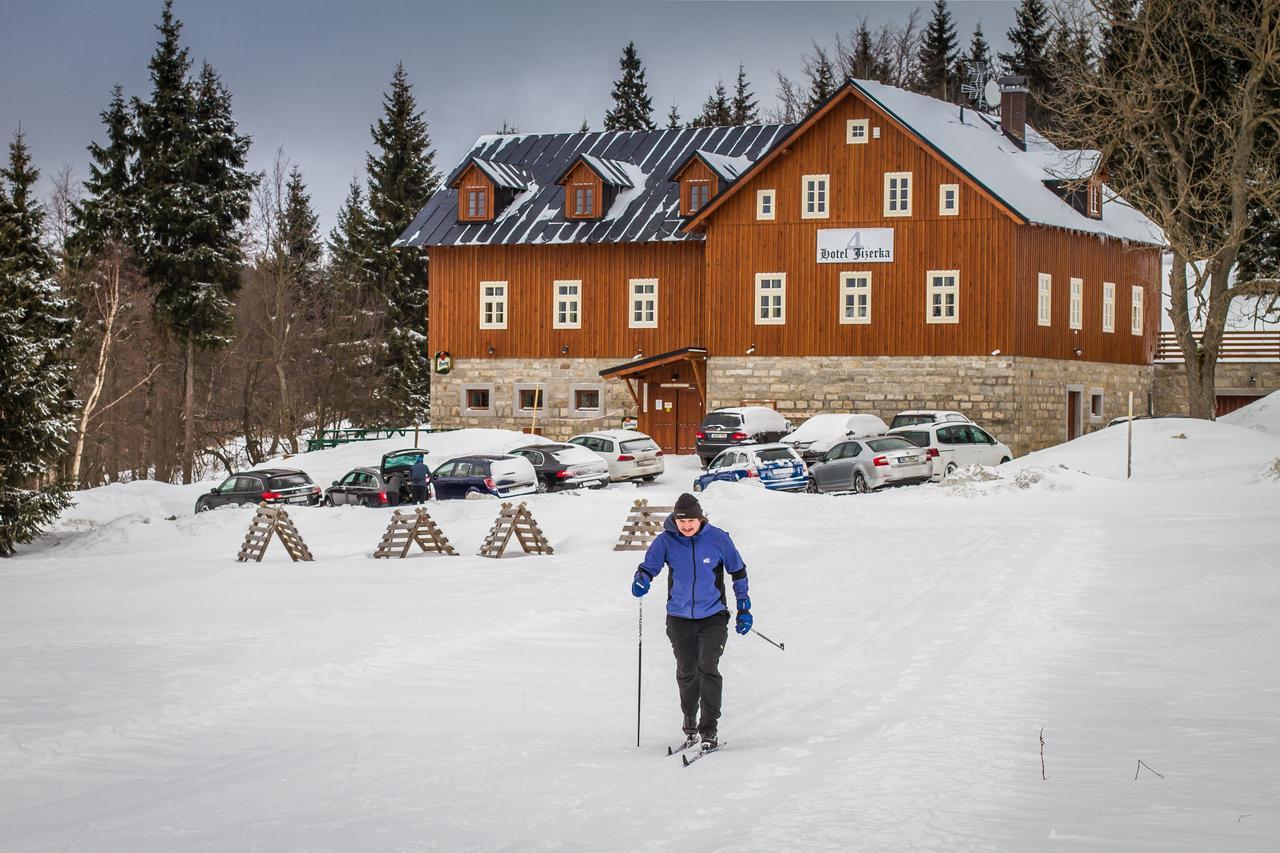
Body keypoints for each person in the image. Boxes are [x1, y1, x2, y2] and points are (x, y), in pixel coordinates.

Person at [631, 492, 752, 752]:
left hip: (713, 616)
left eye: (691, 521)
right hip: (679, 617)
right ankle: (690, 725)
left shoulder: (718, 539)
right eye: (681, 521)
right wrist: (642, 578)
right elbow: (649, 566)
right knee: (687, 671)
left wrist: (744, 607)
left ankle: (709, 730)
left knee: (707, 667)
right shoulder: (666, 541)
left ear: (701, 519)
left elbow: (738, 571)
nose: (686, 526)